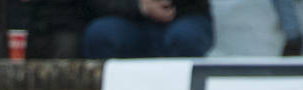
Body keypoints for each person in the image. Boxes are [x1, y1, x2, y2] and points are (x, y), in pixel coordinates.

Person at [82, 0, 215, 58]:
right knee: (99, 35)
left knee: (186, 38)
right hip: (130, 20)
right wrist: (139, 6)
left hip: (185, 16)